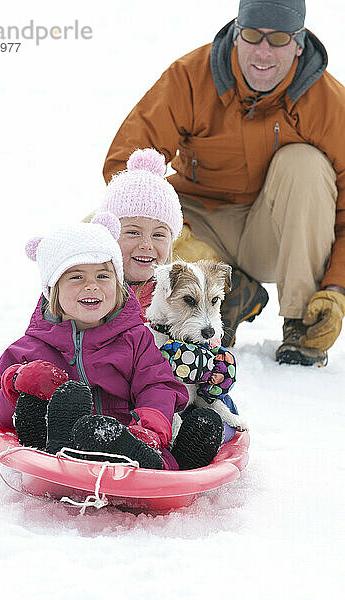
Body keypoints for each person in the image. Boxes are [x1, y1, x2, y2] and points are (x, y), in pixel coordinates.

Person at [103, 0, 345, 367]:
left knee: (305, 164)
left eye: (278, 39)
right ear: (236, 35)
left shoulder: (328, 102)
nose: (263, 52)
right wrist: (174, 235)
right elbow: (128, 162)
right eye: (252, 35)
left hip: (275, 237)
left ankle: (301, 319)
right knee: (105, 221)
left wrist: (335, 289)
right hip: (198, 220)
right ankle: (207, 302)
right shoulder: (190, 77)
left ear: (299, 43)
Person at [0, 215, 224, 470]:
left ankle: (164, 461)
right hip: (57, 451)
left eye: (102, 276)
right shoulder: (31, 346)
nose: (92, 286)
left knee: (202, 421)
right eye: (76, 277)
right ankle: (68, 453)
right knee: (61, 396)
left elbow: (158, 385)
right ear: (52, 288)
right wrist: (16, 381)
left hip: (126, 439)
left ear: (119, 284)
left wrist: (149, 429)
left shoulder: (135, 338)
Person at [97, 147, 244, 454]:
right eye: (133, 231)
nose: (146, 245)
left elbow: (203, 359)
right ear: (110, 233)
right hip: (112, 400)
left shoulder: (178, 285)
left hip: (176, 404)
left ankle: (195, 444)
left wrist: (216, 375)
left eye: (160, 234)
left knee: (209, 422)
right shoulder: (91, 288)